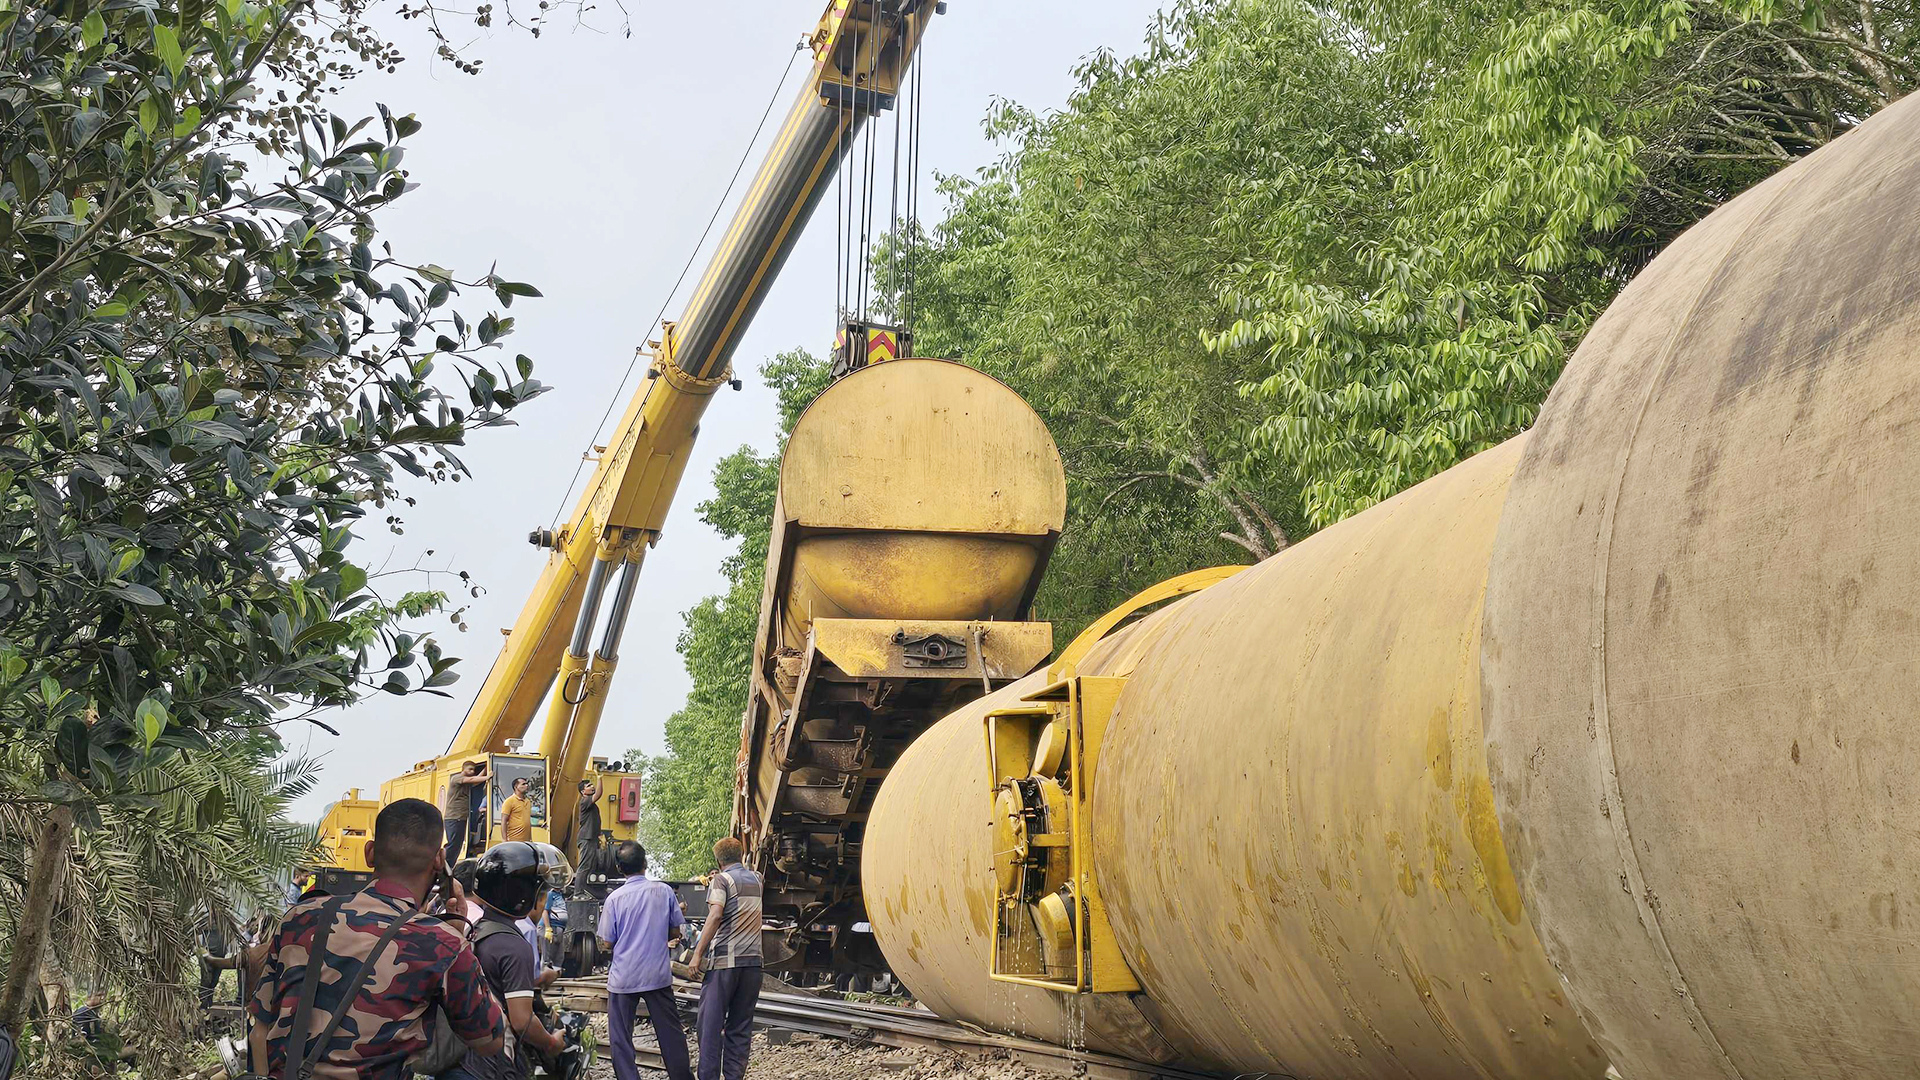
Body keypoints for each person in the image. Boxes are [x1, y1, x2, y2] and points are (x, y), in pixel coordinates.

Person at [249, 798, 503, 1079]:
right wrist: (457, 931)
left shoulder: (300, 917)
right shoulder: (443, 944)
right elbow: (489, 1040)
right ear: (439, 861)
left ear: (370, 853)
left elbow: (259, 1031)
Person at [448, 842, 570, 1080]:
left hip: (457, 1056)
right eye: (543, 894)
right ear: (524, 896)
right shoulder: (515, 947)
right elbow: (522, 1021)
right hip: (487, 1066)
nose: (543, 902)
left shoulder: (476, 930)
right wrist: (550, 1043)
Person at [597, 841, 691, 1080]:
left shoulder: (614, 899)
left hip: (623, 978)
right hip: (656, 976)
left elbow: (607, 942)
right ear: (646, 863)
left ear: (619, 868)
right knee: (671, 1034)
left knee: (620, 1037)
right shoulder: (664, 891)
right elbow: (675, 932)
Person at [686, 838, 762, 1080]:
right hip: (753, 964)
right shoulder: (758, 879)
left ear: (718, 861)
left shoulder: (721, 880)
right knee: (740, 1027)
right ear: (740, 855)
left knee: (709, 1025)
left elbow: (716, 915)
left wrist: (697, 953)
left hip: (725, 963)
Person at [444, 760, 492, 863]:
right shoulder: (456, 778)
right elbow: (471, 779)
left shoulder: (467, 783)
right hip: (453, 817)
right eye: (469, 769)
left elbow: (476, 780)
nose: (472, 771)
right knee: (453, 843)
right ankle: (443, 864)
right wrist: (487, 777)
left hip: (461, 817)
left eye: (473, 770)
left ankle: (449, 865)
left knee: (458, 844)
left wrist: (486, 769)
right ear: (463, 769)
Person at [574, 780, 600, 865]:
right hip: (586, 838)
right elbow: (598, 794)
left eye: (592, 785)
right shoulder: (585, 801)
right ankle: (580, 879)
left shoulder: (590, 803)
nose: (592, 787)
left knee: (591, 865)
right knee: (585, 866)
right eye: (589, 786)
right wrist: (599, 778)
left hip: (591, 838)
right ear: (583, 792)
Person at [500, 777, 533, 843]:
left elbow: (527, 821)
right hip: (513, 841)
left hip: (526, 842)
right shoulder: (509, 801)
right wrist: (504, 839)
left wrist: (530, 839)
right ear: (516, 787)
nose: (526, 786)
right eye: (523, 784)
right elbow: (504, 821)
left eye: (527, 784)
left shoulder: (528, 801)